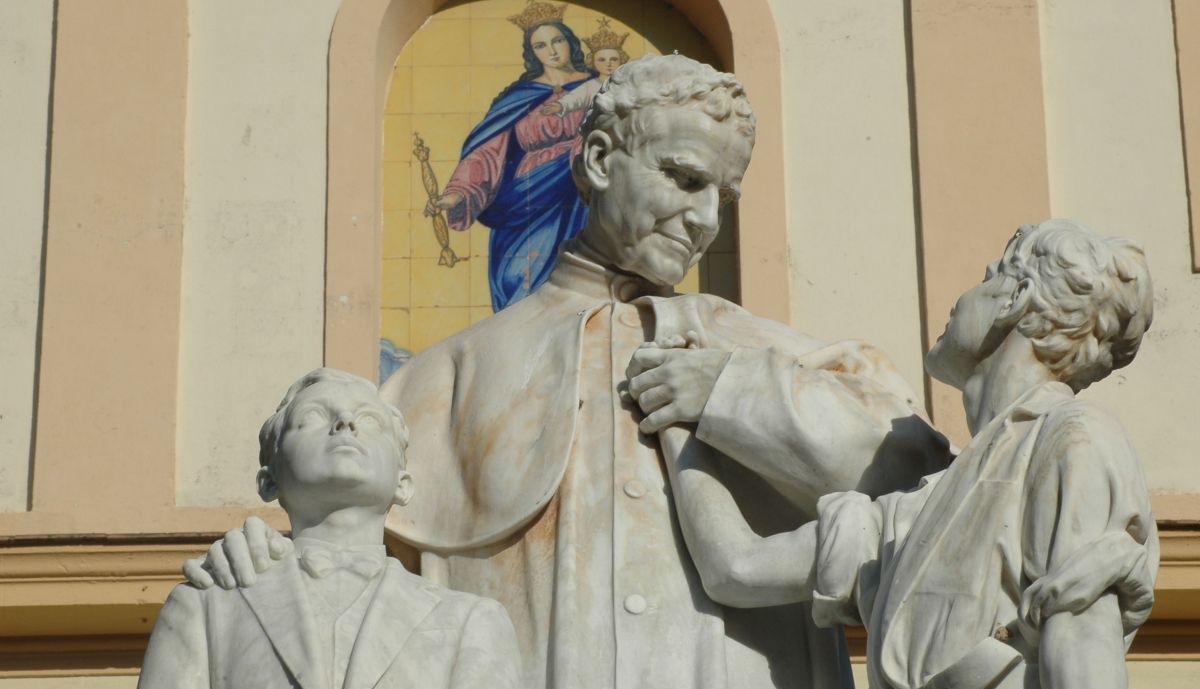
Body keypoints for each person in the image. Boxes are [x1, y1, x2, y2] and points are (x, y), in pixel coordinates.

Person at [189, 55, 951, 689]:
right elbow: (355, 588)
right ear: (595, 160)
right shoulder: (441, 382)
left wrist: (734, 392)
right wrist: (271, 560)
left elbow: (919, 479)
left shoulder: (757, 349)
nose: (708, 220)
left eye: (722, 196)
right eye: (684, 179)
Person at [654, 220, 1158, 689]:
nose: (959, 301)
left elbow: (1083, 639)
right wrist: (673, 414)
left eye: (986, 280)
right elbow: (735, 568)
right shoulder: (913, 510)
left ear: (1015, 299)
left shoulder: (1073, 437)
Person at [141, 369, 520, 689]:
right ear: (268, 481)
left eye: (370, 421)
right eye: (312, 417)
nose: (345, 423)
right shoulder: (207, 606)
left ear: (403, 484)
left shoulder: (471, 622)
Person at [425, 1, 595, 311]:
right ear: (533, 53)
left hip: (579, 190)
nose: (552, 51)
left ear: (569, 41)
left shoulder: (598, 87)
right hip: (525, 197)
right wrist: (458, 193)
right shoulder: (518, 97)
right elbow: (488, 152)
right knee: (518, 276)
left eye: (557, 41)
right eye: (541, 45)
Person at [540, 18, 629, 118]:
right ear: (593, 62)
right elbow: (575, 98)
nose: (608, 64)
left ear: (621, 61)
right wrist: (560, 105)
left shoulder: (627, 84)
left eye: (613, 59)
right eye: (601, 60)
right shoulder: (590, 86)